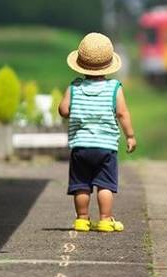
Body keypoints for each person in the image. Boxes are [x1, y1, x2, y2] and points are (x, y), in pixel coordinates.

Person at [58, 32, 136, 233]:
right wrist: (130, 136)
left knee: (81, 185)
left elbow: (63, 110)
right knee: (105, 185)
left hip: (80, 146)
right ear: (109, 65)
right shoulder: (114, 88)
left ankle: (82, 220)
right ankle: (105, 219)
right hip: (106, 147)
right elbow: (122, 113)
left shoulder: (74, 87)